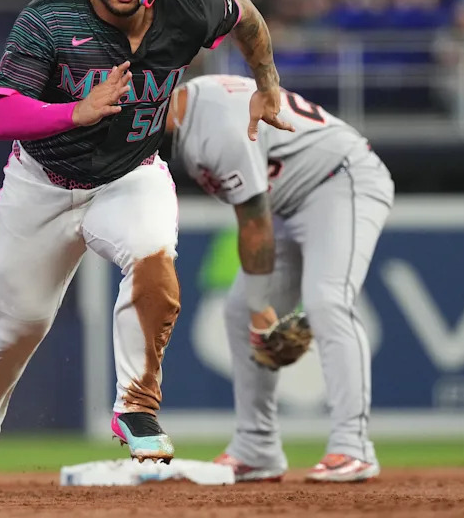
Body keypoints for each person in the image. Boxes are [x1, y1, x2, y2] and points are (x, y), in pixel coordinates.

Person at [0, 0, 293, 499]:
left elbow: (246, 13)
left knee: (153, 258)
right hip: (43, 184)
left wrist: (268, 82)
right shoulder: (49, 19)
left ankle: (135, 407)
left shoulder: (187, 9)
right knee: (18, 325)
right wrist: (72, 111)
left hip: (130, 174)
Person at [161, 74, 394, 483]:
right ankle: (257, 447)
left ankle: (353, 446)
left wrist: (261, 311)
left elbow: (253, 224)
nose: (132, 118)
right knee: (235, 312)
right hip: (287, 203)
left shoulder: (213, 130)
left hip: (341, 180)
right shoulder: (191, 112)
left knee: (328, 302)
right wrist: (252, 310)